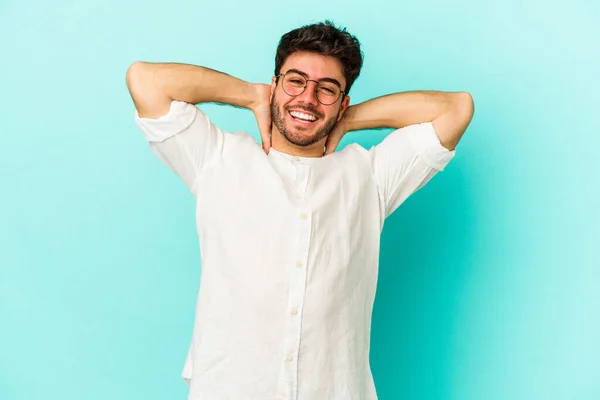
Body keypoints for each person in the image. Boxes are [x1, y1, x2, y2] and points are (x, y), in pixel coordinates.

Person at [126, 20, 474, 400]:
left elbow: (456, 108)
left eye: (326, 90)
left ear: (342, 102)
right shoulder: (217, 158)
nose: (307, 99)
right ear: (275, 85)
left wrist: (350, 118)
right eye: (295, 81)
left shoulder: (369, 177)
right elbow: (145, 80)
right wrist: (249, 95)